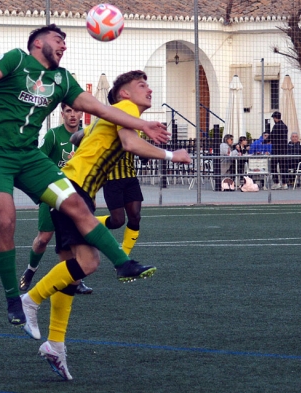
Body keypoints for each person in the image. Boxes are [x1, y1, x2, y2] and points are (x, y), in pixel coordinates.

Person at [0, 24, 170, 328]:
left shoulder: (62, 78)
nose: (63, 46)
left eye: (65, 42)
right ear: (38, 43)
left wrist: (145, 124)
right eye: (58, 40)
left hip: (29, 157)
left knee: (76, 205)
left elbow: (101, 108)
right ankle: (12, 298)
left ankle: (124, 264)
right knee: (6, 222)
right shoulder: (17, 59)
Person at [21, 70, 191, 380]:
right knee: (89, 262)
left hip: (71, 187)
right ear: (125, 94)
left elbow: (90, 138)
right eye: (142, 85)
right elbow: (129, 143)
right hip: (73, 187)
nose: (149, 90)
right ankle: (29, 301)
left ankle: (55, 344)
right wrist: (171, 154)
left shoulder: (112, 114)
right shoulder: (126, 110)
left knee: (71, 272)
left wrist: (80, 139)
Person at [19, 103, 93, 295]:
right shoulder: (53, 135)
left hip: (76, 195)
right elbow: (39, 160)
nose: (73, 115)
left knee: (77, 239)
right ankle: (30, 270)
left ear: (81, 113)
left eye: (77, 110)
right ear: (62, 114)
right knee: (43, 239)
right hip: (53, 192)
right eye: (69, 111)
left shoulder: (88, 136)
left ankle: (77, 280)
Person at [264, 111, 288, 189]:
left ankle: (276, 182)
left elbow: (272, 136)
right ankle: (284, 183)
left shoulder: (276, 126)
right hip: (284, 149)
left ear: (275, 118)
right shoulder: (285, 126)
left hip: (277, 149)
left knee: (273, 165)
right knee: (283, 167)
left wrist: (264, 141)